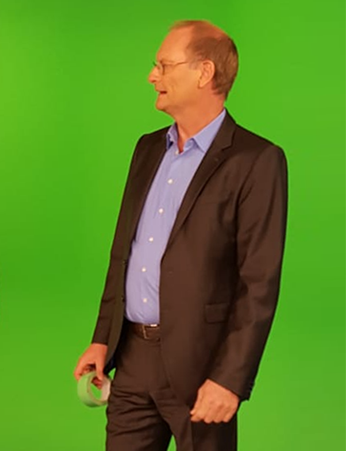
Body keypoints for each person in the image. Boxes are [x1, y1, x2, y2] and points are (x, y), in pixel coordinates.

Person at [74, 20, 288, 451]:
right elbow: (124, 253)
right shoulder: (147, 148)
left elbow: (259, 284)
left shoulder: (257, 160)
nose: (152, 76)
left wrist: (230, 380)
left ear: (204, 72)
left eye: (164, 65)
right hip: (132, 359)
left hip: (203, 368)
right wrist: (102, 338)